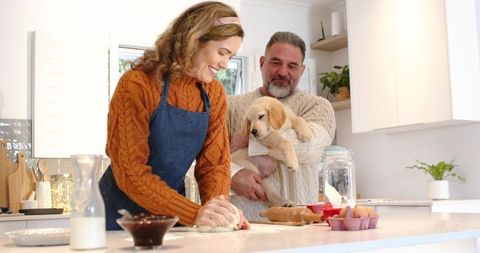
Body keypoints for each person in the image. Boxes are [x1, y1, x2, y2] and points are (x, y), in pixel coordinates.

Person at [99, 1, 248, 230]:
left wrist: (218, 213)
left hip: (171, 218)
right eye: (222, 53)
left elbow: (214, 166)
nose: (225, 64)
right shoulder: (137, 85)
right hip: (117, 219)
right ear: (195, 40)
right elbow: (131, 173)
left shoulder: (214, 93)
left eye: (231, 56)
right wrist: (194, 213)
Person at [227, 31, 336, 221]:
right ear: (262, 63)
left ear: (302, 70)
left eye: (292, 66)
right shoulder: (231, 107)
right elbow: (206, 157)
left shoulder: (318, 106)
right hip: (244, 224)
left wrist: (252, 140)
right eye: (275, 62)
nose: (283, 72)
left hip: (300, 222)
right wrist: (231, 175)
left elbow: (310, 147)